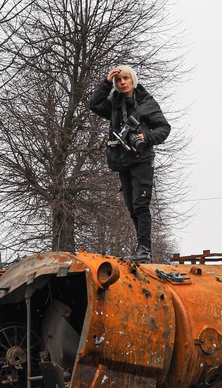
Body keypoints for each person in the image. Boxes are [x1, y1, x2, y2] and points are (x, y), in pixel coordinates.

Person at [89, 65, 171, 262]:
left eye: (126, 78)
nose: (122, 82)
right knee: (132, 207)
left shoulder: (147, 103)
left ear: (132, 80)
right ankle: (141, 250)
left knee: (141, 205)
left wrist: (146, 136)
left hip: (141, 160)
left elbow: (164, 128)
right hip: (122, 161)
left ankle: (144, 250)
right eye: (119, 80)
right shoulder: (115, 105)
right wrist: (106, 83)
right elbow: (94, 103)